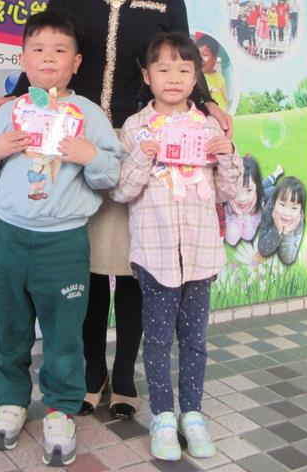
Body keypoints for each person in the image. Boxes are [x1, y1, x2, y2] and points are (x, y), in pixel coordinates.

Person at [0, 0, 232, 423]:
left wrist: (208, 104)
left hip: (145, 142)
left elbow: (181, 57)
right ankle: (92, 372)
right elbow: (51, 54)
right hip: (81, 144)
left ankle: (124, 376)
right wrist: (17, 97)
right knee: (91, 264)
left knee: (140, 263)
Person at [0, 10, 122, 467]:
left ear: (76, 62)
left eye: (59, 50)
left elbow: (112, 175)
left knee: (63, 334)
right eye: (37, 49)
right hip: (10, 239)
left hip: (64, 243)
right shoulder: (10, 112)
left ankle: (60, 410)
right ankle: (10, 403)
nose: (48, 57)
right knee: (6, 328)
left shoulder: (88, 114)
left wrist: (90, 155)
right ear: (23, 59)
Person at [111, 32, 242, 460]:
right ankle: (164, 417)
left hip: (201, 254)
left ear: (196, 77)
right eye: (163, 69)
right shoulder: (135, 128)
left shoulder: (208, 126)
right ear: (146, 76)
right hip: (156, 254)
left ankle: (193, 415)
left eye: (184, 69)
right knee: (156, 339)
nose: (173, 77)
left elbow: (228, 192)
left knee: (195, 340)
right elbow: (121, 191)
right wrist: (143, 156)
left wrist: (228, 154)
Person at [224, 156, 282, 245]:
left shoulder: (256, 199)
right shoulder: (227, 208)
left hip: (258, 197)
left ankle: (276, 173)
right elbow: (243, 238)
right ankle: (274, 176)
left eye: (249, 190)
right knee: (267, 187)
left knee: (270, 187)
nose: (242, 198)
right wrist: (239, 218)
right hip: (257, 198)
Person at [257, 176, 307, 264]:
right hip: (269, 193)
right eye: (283, 205)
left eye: (294, 208)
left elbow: (288, 259)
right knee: (258, 193)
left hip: (275, 194)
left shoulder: (298, 220)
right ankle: (272, 177)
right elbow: (262, 250)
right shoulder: (269, 210)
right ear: (274, 203)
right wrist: (277, 229)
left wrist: (287, 233)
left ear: (300, 210)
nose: (286, 213)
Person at [196, 34, 228, 112]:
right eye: (197, 55)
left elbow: (225, 98)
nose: (200, 59)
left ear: (215, 58)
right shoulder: (196, 78)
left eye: (204, 54)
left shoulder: (220, 78)